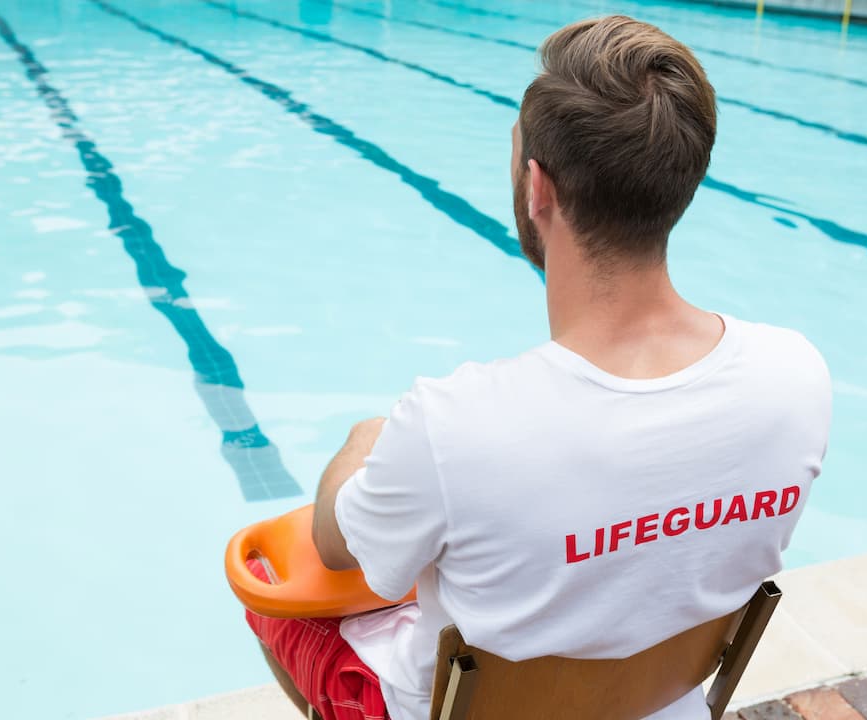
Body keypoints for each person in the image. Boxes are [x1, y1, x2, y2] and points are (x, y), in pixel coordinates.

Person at [244, 14, 831, 720]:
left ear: (537, 189)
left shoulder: (452, 426)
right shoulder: (795, 378)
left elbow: (338, 551)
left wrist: (360, 446)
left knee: (267, 592)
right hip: (663, 702)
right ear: (683, 178)